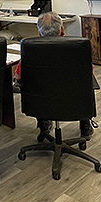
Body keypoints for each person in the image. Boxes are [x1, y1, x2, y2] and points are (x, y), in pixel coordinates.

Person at [14, 12, 95, 140]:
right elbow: (88, 73)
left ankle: (44, 125)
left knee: (35, 86)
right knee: (87, 84)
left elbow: (18, 77)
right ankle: (85, 125)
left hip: (42, 102)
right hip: (73, 101)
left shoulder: (30, 50)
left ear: (39, 32)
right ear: (62, 30)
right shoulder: (77, 48)